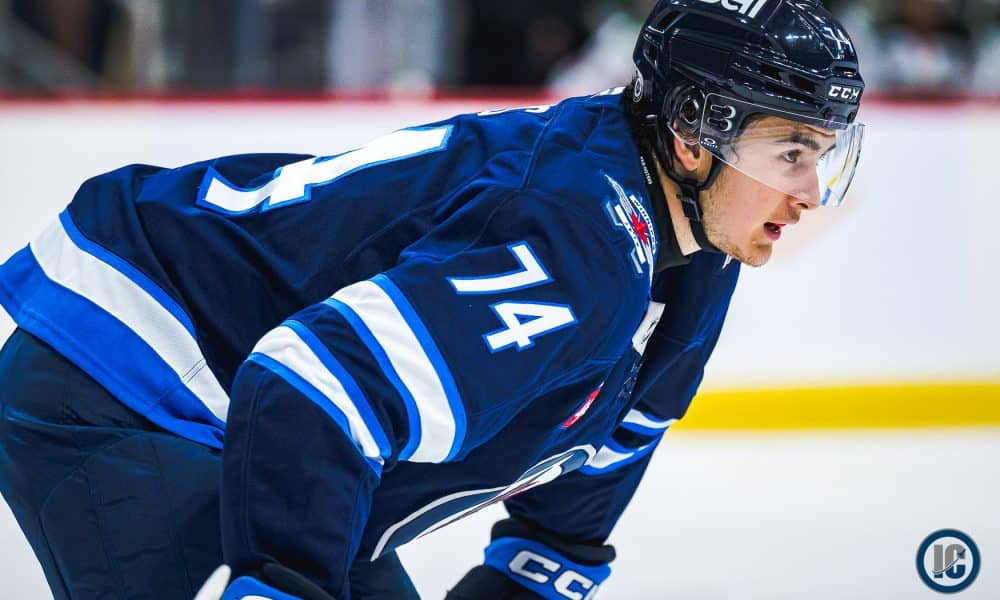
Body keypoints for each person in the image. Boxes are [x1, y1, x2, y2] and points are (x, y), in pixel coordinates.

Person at [0, 1, 865, 598]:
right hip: (126, 376)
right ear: (692, 135)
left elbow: (594, 473)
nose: (811, 193)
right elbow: (309, 388)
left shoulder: (694, 254)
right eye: (791, 153)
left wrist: (536, 570)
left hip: (265, 432)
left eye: (823, 155)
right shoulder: (578, 239)